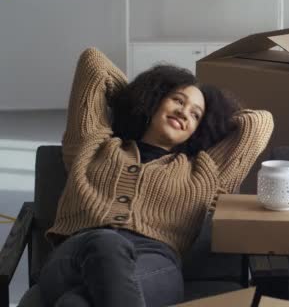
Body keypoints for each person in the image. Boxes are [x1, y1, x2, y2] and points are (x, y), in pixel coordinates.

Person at [37, 48, 274, 307]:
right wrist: (136, 97)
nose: (184, 113)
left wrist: (215, 125)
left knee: (74, 304)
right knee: (104, 242)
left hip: (152, 262)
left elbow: (259, 123)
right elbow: (93, 63)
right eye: (177, 100)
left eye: (196, 115)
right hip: (76, 253)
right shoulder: (94, 145)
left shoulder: (204, 172)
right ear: (154, 99)